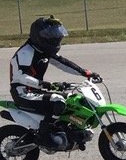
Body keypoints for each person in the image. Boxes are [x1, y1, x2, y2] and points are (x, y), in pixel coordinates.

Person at [8, 16, 102, 149]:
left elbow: (63, 64)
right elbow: (21, 77)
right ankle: (46, 137)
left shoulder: (43, 50)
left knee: (73, 101)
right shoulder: (26, 52)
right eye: (50, 36)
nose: (55, 39)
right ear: (39, 36)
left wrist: (85, 73)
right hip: (23, 93)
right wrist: (47, 85)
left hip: (36, 91)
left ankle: (66, 131)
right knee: (58, 101)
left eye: (56, 35)